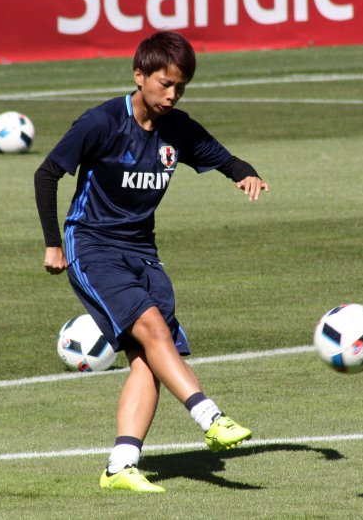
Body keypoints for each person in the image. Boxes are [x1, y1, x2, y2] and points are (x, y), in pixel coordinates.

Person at [34, 30, 268, 493]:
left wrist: (247, 174)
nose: (172, 94)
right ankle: (211, 417)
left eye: (181, 87)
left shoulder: (176, 128)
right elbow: (47, 173)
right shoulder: (101, 122)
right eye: (165, 83)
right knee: (154, 329)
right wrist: (53, 243)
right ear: (139, 75)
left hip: (143, 253)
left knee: (149, 359)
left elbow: (226, 160)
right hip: (92, 246)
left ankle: (120, 467)